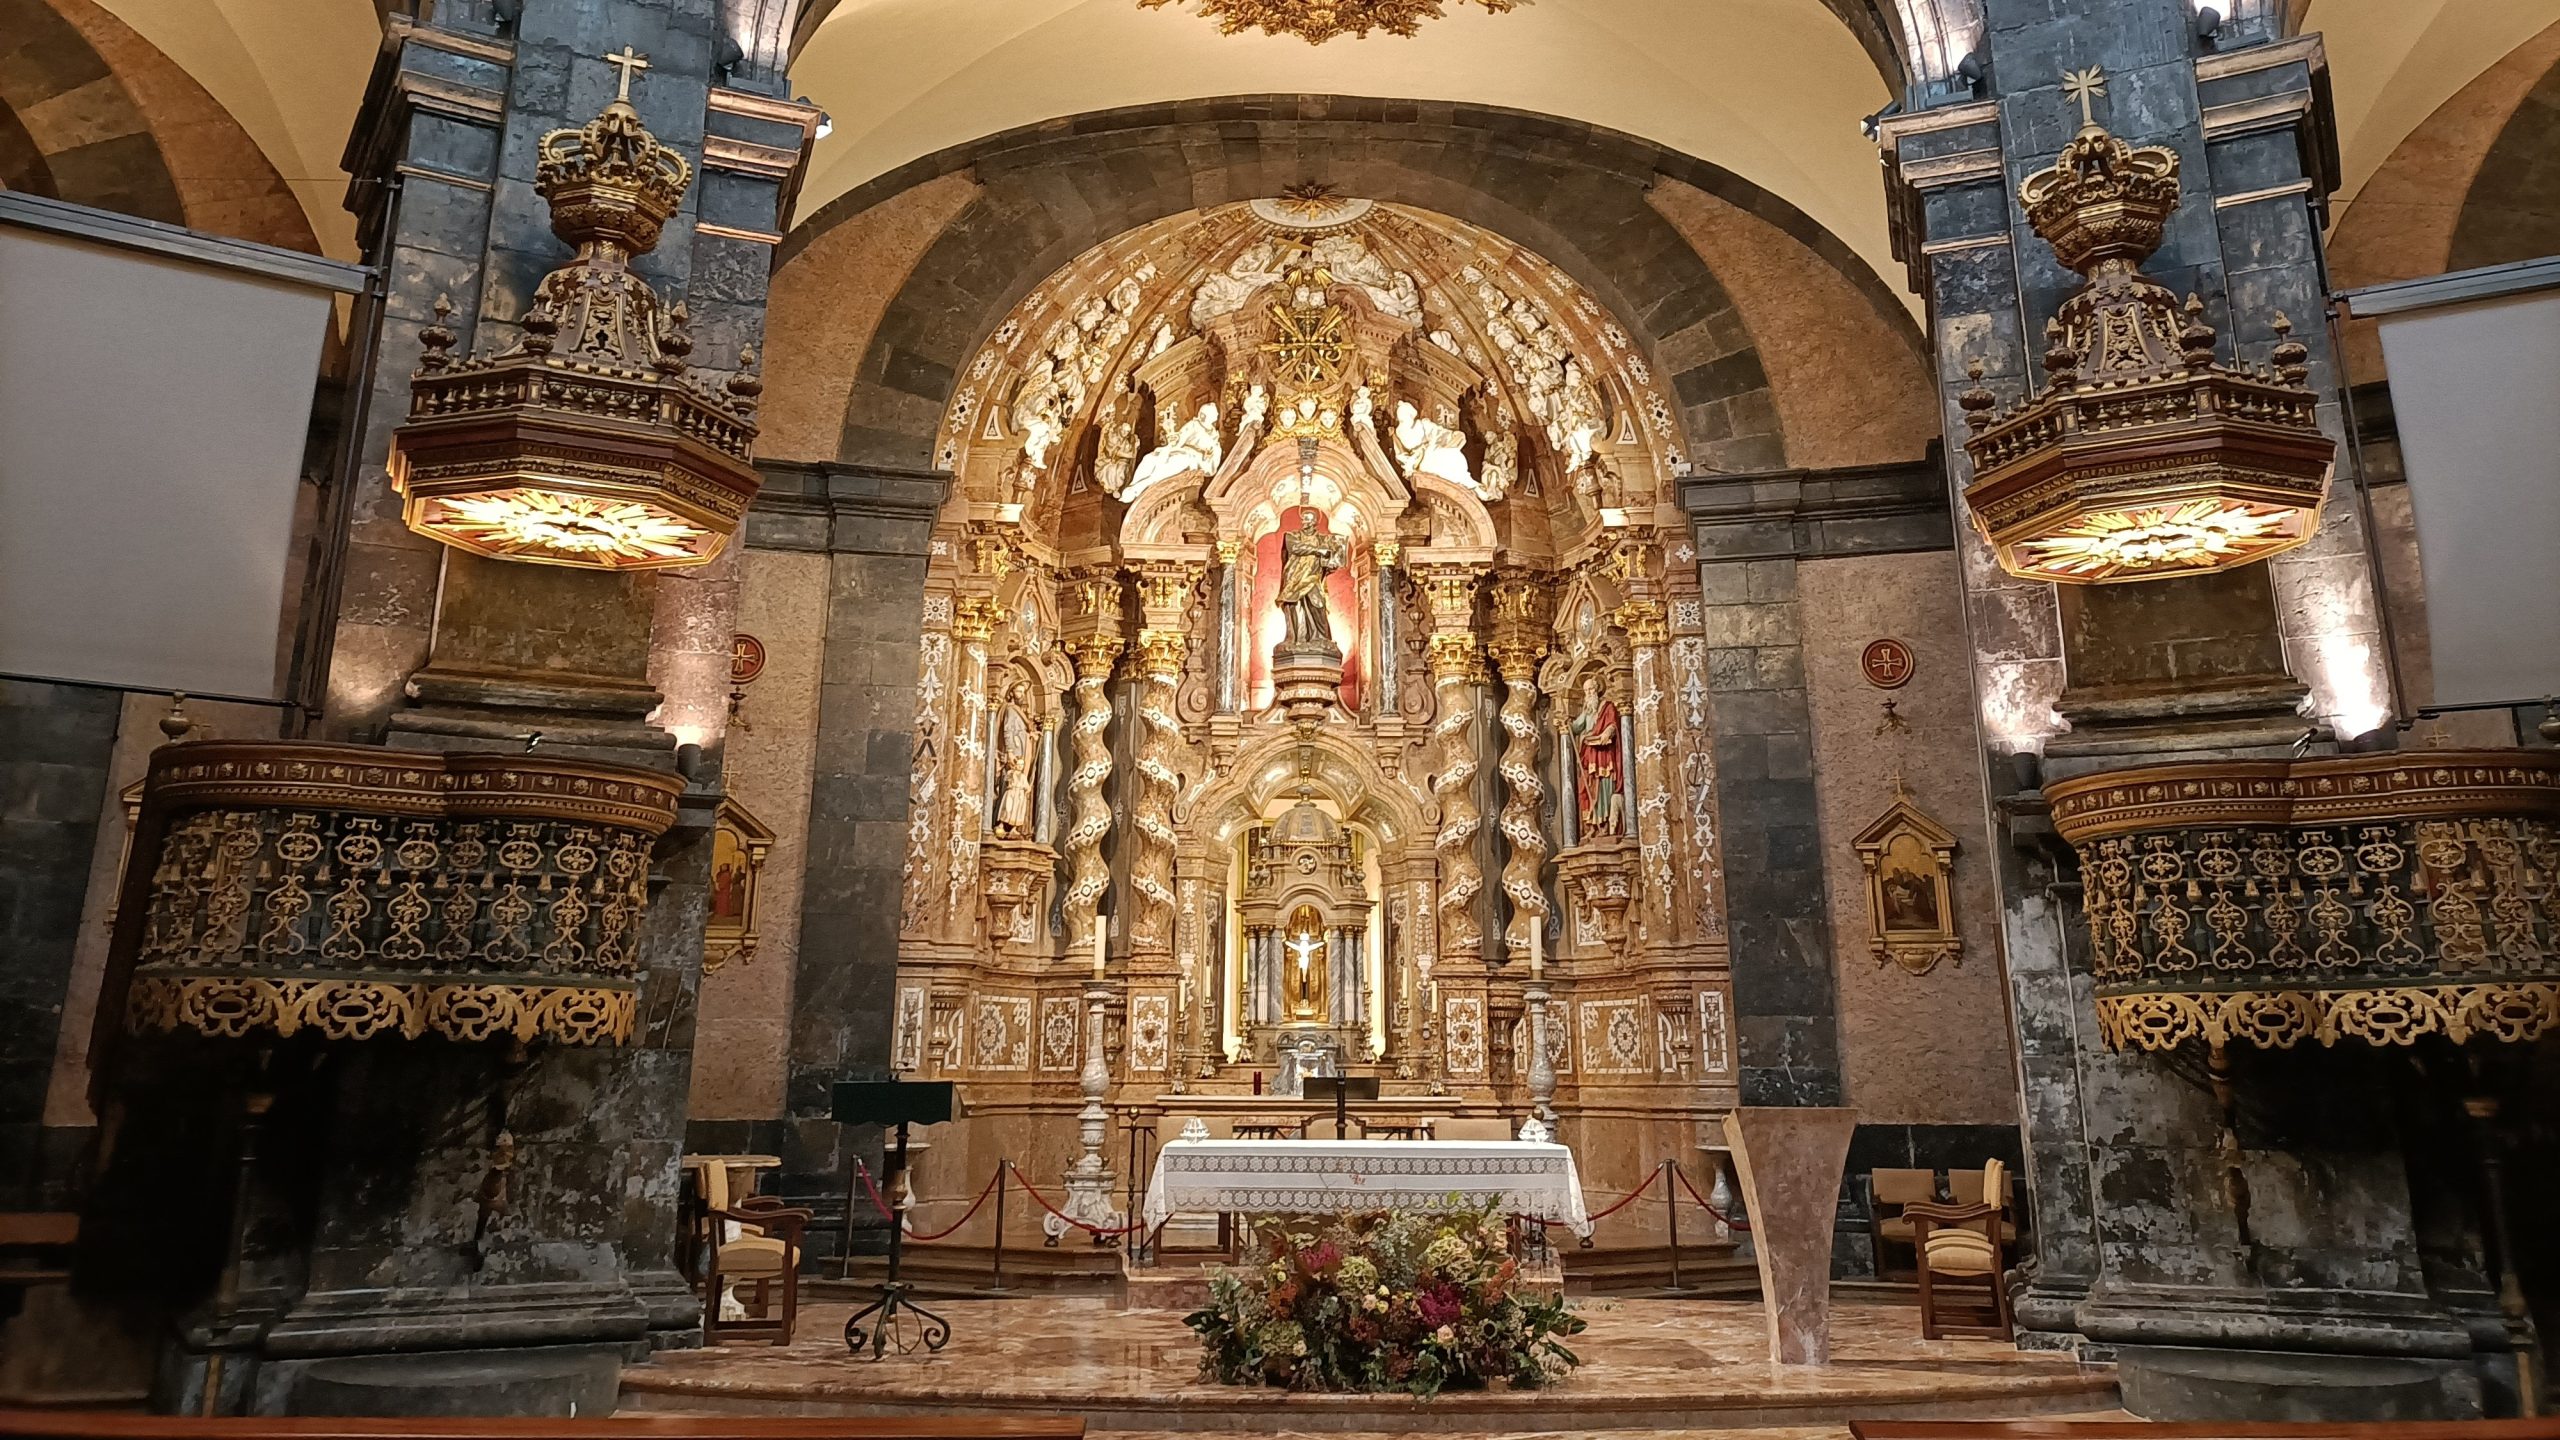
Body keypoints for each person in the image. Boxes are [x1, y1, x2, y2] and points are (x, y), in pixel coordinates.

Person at [1274, 509, 1348, 649]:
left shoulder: (1323, 539)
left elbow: (1334, 556)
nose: (1305, 522)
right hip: (1295, 578)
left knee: (1318, 605)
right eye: (1303, 519)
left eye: (1308, 519)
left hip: (1313, 577)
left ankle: (1321, 637)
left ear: (1315, 522)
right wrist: (1318, 550)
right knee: (1294, 606)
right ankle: (1296, 639)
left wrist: (1332, 561)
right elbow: (1294, 547)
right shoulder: (1292, 536)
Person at [1569, 675, 1623, 836]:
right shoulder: (1587, 711)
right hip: (1589, 754)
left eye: (1591, 689)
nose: (1588, 693)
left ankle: (1605, 825)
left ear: (1598, 689)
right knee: (1588, 789)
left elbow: (1613, 725)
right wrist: (1565, 723)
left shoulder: (1607, 707)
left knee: (1603, 789)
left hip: (1603, 756)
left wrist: (1608, 731)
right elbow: (1576, 727)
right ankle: (1592, 826)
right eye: (1586, 691)